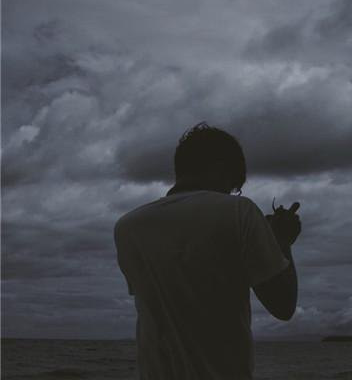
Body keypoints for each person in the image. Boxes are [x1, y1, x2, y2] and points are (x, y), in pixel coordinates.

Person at [114, 122, 301, 380]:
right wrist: (282, 241)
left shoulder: (127, 227)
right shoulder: (240, 211)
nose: (232, 193)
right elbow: (283, 306)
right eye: (234, 186)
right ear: (221, 168)